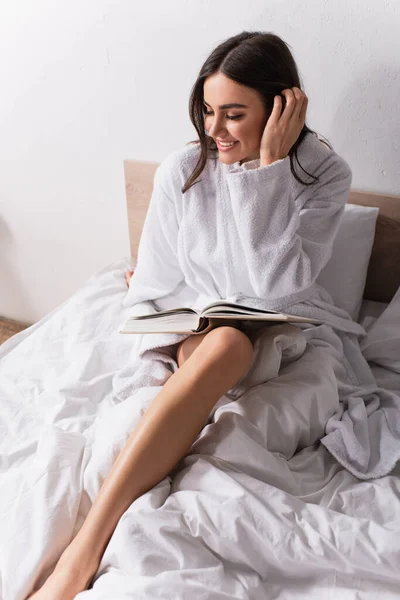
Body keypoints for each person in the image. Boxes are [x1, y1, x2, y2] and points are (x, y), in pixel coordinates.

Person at [27, 31, 399, 599]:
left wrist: (269, 172)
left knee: (235, 345)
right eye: (206, 110)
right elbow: (152, 285)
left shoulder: (323, 175)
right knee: (225, 345)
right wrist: (158, 300)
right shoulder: (182, 170)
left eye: (233, 114)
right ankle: (88, 545)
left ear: (280, 109)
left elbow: (278, 288)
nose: (214, 130)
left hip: (287, 332)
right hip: (203, 327)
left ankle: (86, 545)